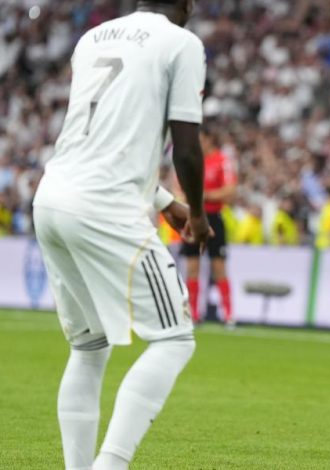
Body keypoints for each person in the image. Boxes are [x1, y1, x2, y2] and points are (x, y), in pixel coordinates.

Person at [31, 1, 209, 469]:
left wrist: (164, 201)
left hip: (52, 198)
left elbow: (98, 137)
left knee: (89, 347)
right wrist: (199, 212)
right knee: (174, 339)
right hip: (105, 208)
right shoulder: (182, 43)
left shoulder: (93, 38)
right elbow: (186, 148)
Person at [180, 126, 237, 326]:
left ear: (210, 139)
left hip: (213, 216)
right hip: (193, 216)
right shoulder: (192, 161)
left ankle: (228, 315)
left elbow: (230, 191)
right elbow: (180, 189)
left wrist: (205, 196)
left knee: (218, 266)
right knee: (192, 267)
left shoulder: (222, 161)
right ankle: (194, 314)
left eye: (201, 140)